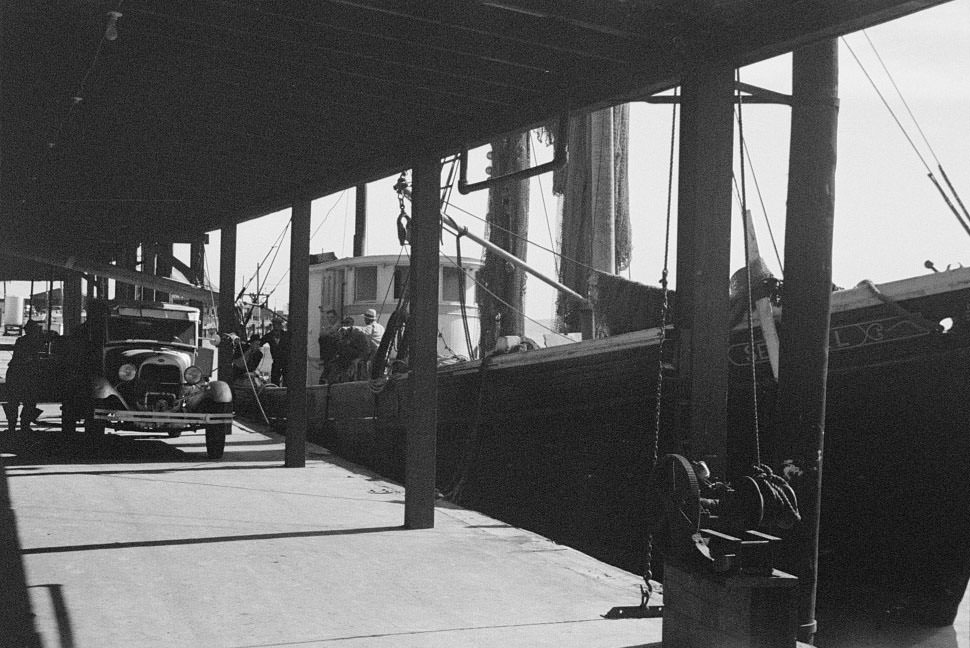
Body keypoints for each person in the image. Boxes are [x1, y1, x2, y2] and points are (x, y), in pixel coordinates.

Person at [3, 320, 45, 434]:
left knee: (13, 402)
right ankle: (24, 425)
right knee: (29, 401)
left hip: (14, 374)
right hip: (25, 375)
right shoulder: (34, 342)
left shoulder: (21, 341)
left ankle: (12, 426)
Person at [259, 317, 291, 386]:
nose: (276, 327)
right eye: (275, 325)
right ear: (273, 325)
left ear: (280, 326)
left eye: (278, 325)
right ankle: (276, 392)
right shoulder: (269, 336)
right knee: (274, 379)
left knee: (287, 380)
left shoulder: (286, 335)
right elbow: (260, 343)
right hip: (276, 361)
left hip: (286, 361)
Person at [317, 308, 341, 383]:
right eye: (328, 318)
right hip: (328, 356)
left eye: (331, 317)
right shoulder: (327, 327)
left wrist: (329, 332)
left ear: (335, 317)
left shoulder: (339, 326)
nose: (330, 319)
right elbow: (322, 334)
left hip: (336, 354)